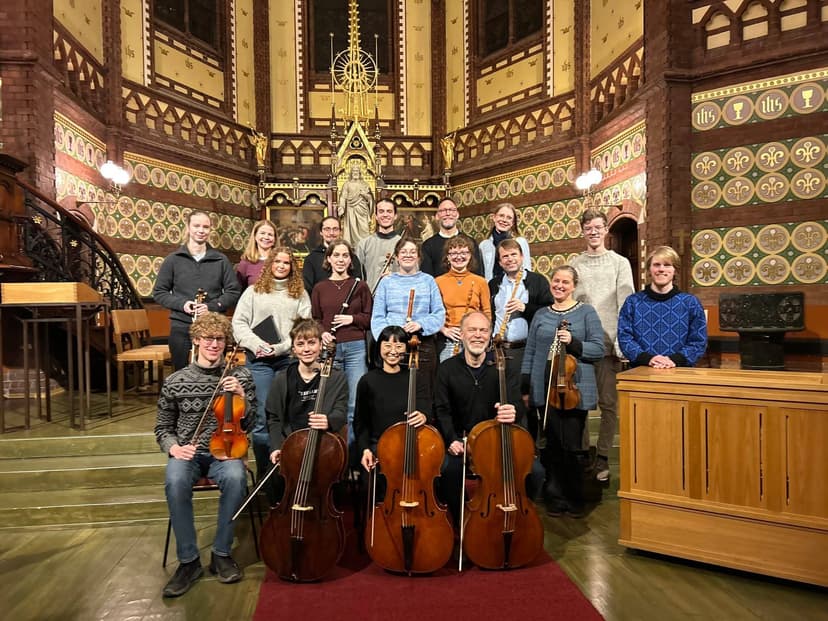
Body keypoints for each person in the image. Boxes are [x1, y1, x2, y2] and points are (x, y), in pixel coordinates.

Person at [155, 312, 256, 597]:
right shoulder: (176, 380)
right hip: (188, 454)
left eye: (220, 339)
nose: (214, 344)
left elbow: (252, 422)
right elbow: (163, 427)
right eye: (208, 338)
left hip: (225, 452)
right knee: (175, 481)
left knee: (237, 477)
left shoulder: (240, 376)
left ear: (226, 343)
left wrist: (242, 398)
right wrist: (174, 447)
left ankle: (221, 553)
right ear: (197, 340)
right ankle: (188, 561)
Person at [434, 311, 544, 527]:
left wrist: (514, 411)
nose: (478, 335)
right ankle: (462, 522)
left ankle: (517, 518)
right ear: (462, 335)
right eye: (472, 330)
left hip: (497, 440)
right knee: (448, 472)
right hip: (462, 443)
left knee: (536, 472)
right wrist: (451, 440)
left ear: (490, 334)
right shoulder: (447, 369)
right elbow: (441, 410)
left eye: (483, 330)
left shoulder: (504, 367)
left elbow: (517, 404)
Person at [522, 266, 604, 518]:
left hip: (573, 390)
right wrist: (527, 386)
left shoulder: (586, 312)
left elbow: (598, 348)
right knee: (551, 445)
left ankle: (575, 496)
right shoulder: (541, 315)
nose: (559, 285)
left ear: (574, 286)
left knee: (572, 446)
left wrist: (574, 343)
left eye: (565, 282)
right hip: (545, 388)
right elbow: (531, 351)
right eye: (556, 281)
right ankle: (554, 496)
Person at [231, 247, 311, 504]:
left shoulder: (299, 293)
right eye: (277, 261)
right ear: (270, 264)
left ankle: (288, 473)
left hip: (287, 359)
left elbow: (304, 327)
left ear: (292, 266)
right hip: (260, 362)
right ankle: (267, 476)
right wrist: (257, 345)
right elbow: (239, 323)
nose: (282, 266)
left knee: (288, 416)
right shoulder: (253, 292)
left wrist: (279, 347)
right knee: (265, 418)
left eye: (287, 263)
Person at [570, 209, 634, 483]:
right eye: (588, 227)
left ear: (605, 230)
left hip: (609, 344)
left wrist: (622, 338)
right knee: (581, 404)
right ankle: (584, 454)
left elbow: (626, 302)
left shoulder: (619, 263)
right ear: (583, 231)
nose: (593, 232)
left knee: (608, 405)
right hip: (583, 346)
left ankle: (603, 457)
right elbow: (570, 303)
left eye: (598, 227)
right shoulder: (575, 262)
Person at [265, 319, 348, 494]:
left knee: (335, 484)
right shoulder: (282, 378)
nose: (307, 349)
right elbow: (274, 418)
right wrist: (277, 447)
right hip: (291, 446)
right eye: (300, 344)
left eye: (312, 343)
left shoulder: (335, 377)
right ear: (294, 349)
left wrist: (328, 421)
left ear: (320, 345)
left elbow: (341, 412)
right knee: (275, 483)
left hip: (323, 445)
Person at [153, 210, 241, 371]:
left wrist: (212, 307)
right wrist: (182, 304)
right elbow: (159, 292)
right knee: (180, 370)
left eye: (206, 227)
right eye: (197, 226)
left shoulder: (220, 260)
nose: (201, 230)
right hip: (181, 324)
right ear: (188, 227)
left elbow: (233, 292)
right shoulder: (173, 260)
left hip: (212, 326)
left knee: (213, 370)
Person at [311, 239, 372, 454]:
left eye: (345, 255)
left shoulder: (360, 286)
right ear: (328, 258)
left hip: (355, 346)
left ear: (350, 259)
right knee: (331, 404)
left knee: (355, 404)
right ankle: (334, 454)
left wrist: (351, 320)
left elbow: (368, 317)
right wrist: (322, 333)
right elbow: (316, 318)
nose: (340, 259)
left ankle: (353, 455)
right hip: (330, 349)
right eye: (336, 255)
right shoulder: (320, 288)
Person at [371, 237, 445, 398]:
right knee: (395, 393)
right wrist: (390, 336)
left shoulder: (428, 281)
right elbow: (377, 317)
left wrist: (420, 324)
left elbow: (439, 314)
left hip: (422, 344)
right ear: (397, 257)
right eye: (403, 252)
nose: (408, 255)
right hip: (393, 345)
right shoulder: (387, 282)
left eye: (413, 252)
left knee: (424, 392)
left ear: (419, 257)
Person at [354, 326, 430, 481]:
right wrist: (365, 450)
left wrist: (423, 415)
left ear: (406, 348)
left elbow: (426, 407)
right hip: (379, 447)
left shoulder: (416, 378)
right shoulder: (368, 381)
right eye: (387, 345)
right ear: (379, 347)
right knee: (369, 480)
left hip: (412, 445)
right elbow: (360, 423)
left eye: (399, 345)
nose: (393, 351)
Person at [618, 245, 707, 369]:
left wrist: (673, 360)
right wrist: (649, 359)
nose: (661, 269)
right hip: (641, 370)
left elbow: (698, 341)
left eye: (667, 265)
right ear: (649, 269)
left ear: (675, 270)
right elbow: (625, 338)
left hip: (679, 370)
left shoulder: (690, 303)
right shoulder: (633, 302)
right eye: (656, 265)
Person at [488, 238, 554, 384]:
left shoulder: (538, 281)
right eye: (505, 256)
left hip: (525, 349)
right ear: (500, 262)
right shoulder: (493, 284)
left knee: (525, 396)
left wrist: (525, 308)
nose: (510, 259)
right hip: (498, 348)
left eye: (513, 254)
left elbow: (550, 313)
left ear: (522, 257)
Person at [434, 235, 491, 361]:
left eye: (464, 252)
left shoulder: (480, 282)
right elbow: (432, 312)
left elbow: (486, 313)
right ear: (448, 257)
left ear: (470, 256)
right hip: (448, 340)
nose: (459, 256)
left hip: (473, 338)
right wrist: (444, 330)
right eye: (454, 253)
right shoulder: (438, 281)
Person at [420, 197, 483, 278]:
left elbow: (477, 274)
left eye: (452, 210)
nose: (448, 213)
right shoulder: (428, 245)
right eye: (443, 211)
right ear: (437, 216)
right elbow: (427, 278)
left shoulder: (471, 242)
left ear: (457, 214)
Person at [303, 216, 363, 294]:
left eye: (335, 229)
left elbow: (357, 285)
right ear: (321, 232)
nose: (331, 233)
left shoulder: (351, 257)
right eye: (327, 229)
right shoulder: (311, 259)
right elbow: (308, 288)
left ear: (340, 232)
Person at [356, 198, 400, 293]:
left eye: (389, 211)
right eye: (381, 211)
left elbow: (412, 275)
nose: (385, 215)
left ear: (395, 216)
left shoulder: (403, 244)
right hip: (371, 299)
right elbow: (358, 277)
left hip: (398, 297)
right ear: (376, 216)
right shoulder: (364, 244)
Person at [478, 202, 532, 282]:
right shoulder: (484, 245)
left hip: (515, 289)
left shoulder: (520, 242)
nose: (504, 220)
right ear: (494, 217)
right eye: (501, 216)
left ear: (513, 222)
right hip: (491, 289)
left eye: (509, 218)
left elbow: (526, 269)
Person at [339, 163, 374, 248]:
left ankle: (365, 246)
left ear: (360, 173)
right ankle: (351, 247)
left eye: (357, 171)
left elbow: (370, 198)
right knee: (351, 229)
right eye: (354, 171)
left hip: (362, 210)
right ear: (351, 173)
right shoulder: (347, 184)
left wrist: (364, 195)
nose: (355, 173)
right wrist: (341, 207)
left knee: (364, 229)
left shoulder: (365, 184)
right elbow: (343, 197)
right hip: (350, 209)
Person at [236, 219, 277, 290]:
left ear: (275, 239)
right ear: (255, 236)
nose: (266, 237)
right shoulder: (245, 263)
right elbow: (238, 290)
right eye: (262, 233)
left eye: (270, 234)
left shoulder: (281, 261)